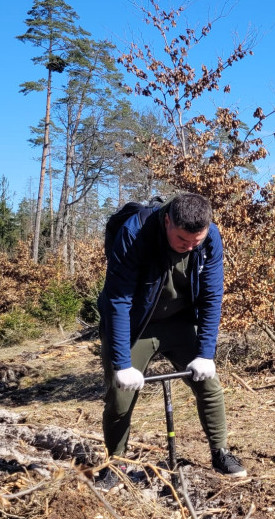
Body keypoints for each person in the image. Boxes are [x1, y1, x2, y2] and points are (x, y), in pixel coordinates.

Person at [97, 192, 246, 478]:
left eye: (196, 242)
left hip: (177, 321)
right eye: (182, 240)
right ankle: (115, 464)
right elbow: (118, 299)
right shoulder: (134, 234)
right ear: (167, 221)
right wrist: (122, 363)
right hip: (134, 324)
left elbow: (212, 294)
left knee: (209, 386)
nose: (189, 247)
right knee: (120, 396)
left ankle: (220, 453)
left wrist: (205, 354)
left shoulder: (210, 236)